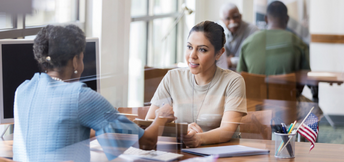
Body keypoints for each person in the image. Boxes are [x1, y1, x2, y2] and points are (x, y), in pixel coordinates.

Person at [12, 25, 175, 162]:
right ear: (75, 61)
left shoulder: (22, 90)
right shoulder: (80, 96)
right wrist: (161, 118)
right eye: (82, 58)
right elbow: (145, 143)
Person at [145, 21, 247, 148]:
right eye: (189, 47)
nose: (192, 56)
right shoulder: (172, 77)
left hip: (222, 154)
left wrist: (199, 138)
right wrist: (182, 129)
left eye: (202, 49)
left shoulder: (233, 81)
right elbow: (149, 122)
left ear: (219, 53)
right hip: (181, 152)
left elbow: (227, 130)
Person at [237, 1, 310, 75]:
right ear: (287, 19)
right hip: (287, 86)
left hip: (254, 86)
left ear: (265, 19)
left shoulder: (247, 43)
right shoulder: (298, 42)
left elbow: (240, 76)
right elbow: (306, 76)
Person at [218, 3, 258, 69]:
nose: (232, 22)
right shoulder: (215, 30)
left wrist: (232, 61)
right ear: (222, 20)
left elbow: (254, 59)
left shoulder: (253, 30)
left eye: (235, 17)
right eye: (228, 18)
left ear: (241, 16)